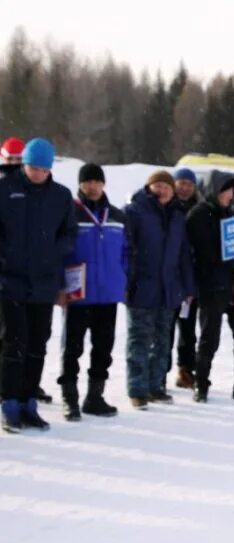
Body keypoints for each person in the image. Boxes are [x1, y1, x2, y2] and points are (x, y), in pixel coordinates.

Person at [0, 138, 77, 431]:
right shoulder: (6, 189)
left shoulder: (60, 196)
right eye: (33, 168)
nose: (38, 174)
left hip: (44, 283)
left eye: (43, 169)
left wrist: (54, 251)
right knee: (14, 343)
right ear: (24, 164)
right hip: (10, 281)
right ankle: (9, 404)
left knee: (37, 344)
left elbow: (69, 233)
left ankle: (28, 401)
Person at [58, 163, 128, 420]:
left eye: (97, 181)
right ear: (80, 184)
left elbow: (127, 252)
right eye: (87, 181)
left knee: (103, 347)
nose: (92, 186)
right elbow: (61, 251)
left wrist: (122, 279)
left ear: (103, 184)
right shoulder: (70, 214)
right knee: (72, 348)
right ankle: (70, 398)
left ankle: (95, 397)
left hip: (107, 293)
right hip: (79, 293)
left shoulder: (118, 216)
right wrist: (60, 284)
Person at [124, 170, 195, 409]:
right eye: (158, 186)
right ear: (149, 187)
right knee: (139, 340)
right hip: (142, 286)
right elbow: (127, 249)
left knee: (163, 341)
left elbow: (184, 254)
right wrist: (128, 281)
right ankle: (137, 388)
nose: (162, 190)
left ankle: (156, 386)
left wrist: (187, 285)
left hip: (169, 288)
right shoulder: (135, 211)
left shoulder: (177, 216)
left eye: (167, 186)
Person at [187, 176, 234, 403]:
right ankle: (201, 384)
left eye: (231, 191)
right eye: (224, 191)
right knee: (209, 338)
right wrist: (230, 262)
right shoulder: (199, 215)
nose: (228, 196)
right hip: (212, 286)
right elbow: (205, 251)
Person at [169, 167, 202, 389]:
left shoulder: (199, 211)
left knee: (188, 329)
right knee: (165, 328)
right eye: (181, 183)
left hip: (192, 277)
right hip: (169, 276)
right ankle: (159, 372)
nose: (184, 188)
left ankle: (185, 369)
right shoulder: (166, 208)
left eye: (189, 184)